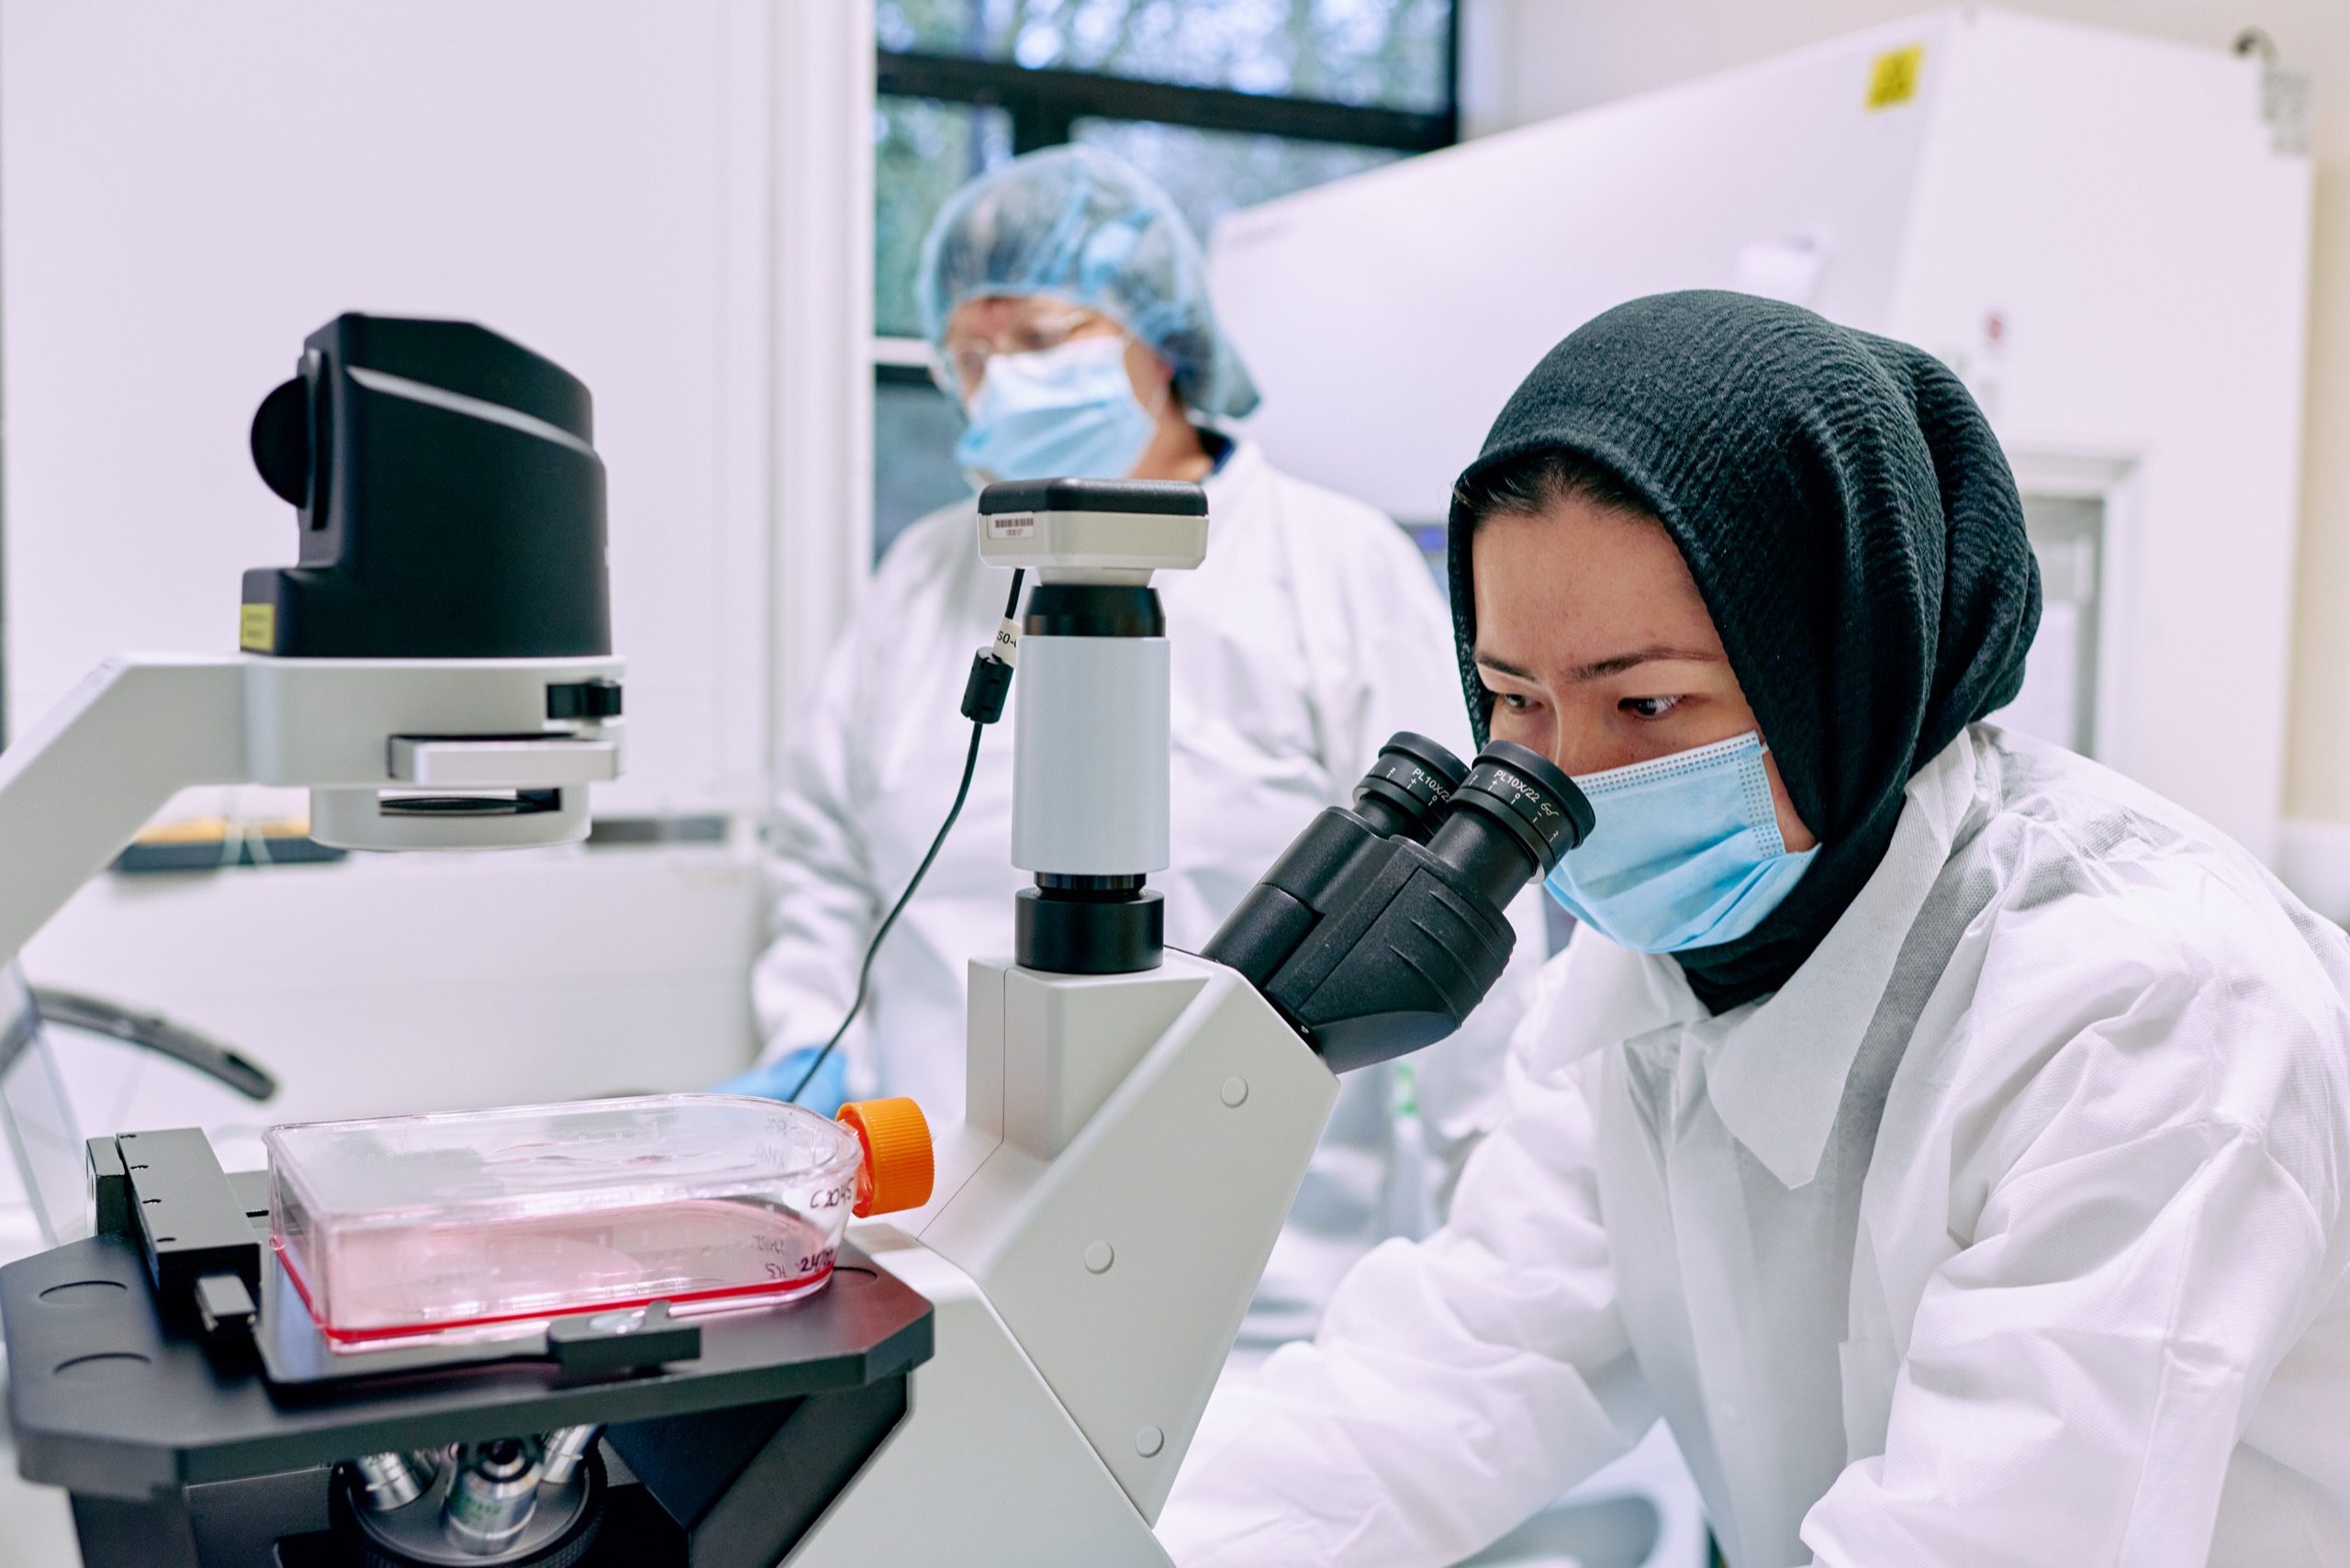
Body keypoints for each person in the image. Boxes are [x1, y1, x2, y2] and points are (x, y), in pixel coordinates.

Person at [1158, 290, 2350, 1566]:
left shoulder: (2151, 1010)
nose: (1566, 780)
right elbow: (1457, 1368)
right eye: (1511, 698)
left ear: (1841, 673)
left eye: (1650, 704)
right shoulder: (1660, 967)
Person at [741, 146, 1540, 1340]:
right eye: (972, 355)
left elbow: (1458, 919)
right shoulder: (922, 578)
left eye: (1041, 340)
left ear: (1162, 341)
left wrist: (1507, 1249)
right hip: (930, 1263)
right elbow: (824, 865)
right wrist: (810, 1066)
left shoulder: (1328, 566)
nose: (1000, 381)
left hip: (1254, 1302)